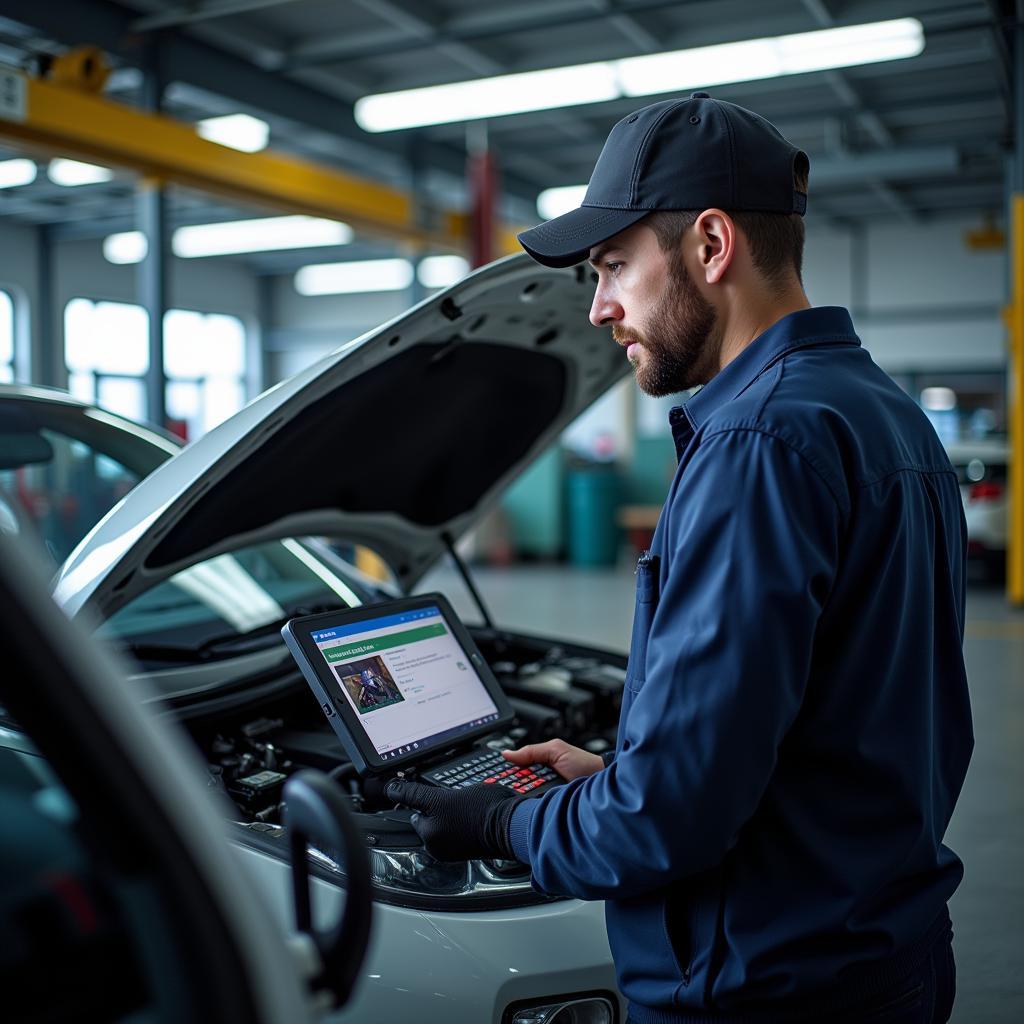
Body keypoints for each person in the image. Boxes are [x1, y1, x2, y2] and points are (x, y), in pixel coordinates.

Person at [387, 94, 973, 1023]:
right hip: (881, 950)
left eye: (615, 264)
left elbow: (669, 820)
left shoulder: (758, 442)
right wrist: (619, 776)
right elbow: (849, 715)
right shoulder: (879, 413)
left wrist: (506, 820)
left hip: (765, 986)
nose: (598, 307)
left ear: (710, 245)